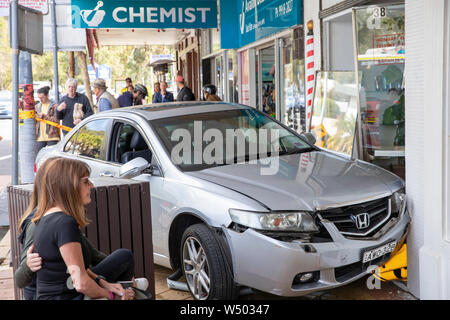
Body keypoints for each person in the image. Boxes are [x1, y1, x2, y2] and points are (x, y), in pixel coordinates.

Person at [31, 158, 136, 300]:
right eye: (86, 182)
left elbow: (73, 267)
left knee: (124, 256)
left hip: (61, 293)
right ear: (69, 186)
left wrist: (104, 283)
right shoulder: (65, 223)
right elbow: (81, 284)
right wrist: (112, 296)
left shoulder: (47, 217)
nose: (91, 186)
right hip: (67, 295)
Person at [35, 86, 60, 153]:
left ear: (47, 95)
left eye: (42, 97)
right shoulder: (37, 107)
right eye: (39, 98)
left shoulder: (54, 106)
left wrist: (44, 116)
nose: (40, 99)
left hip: (52, 136)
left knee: (51, 157)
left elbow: (56, 120)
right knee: (38, 157)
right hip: (40, 137)